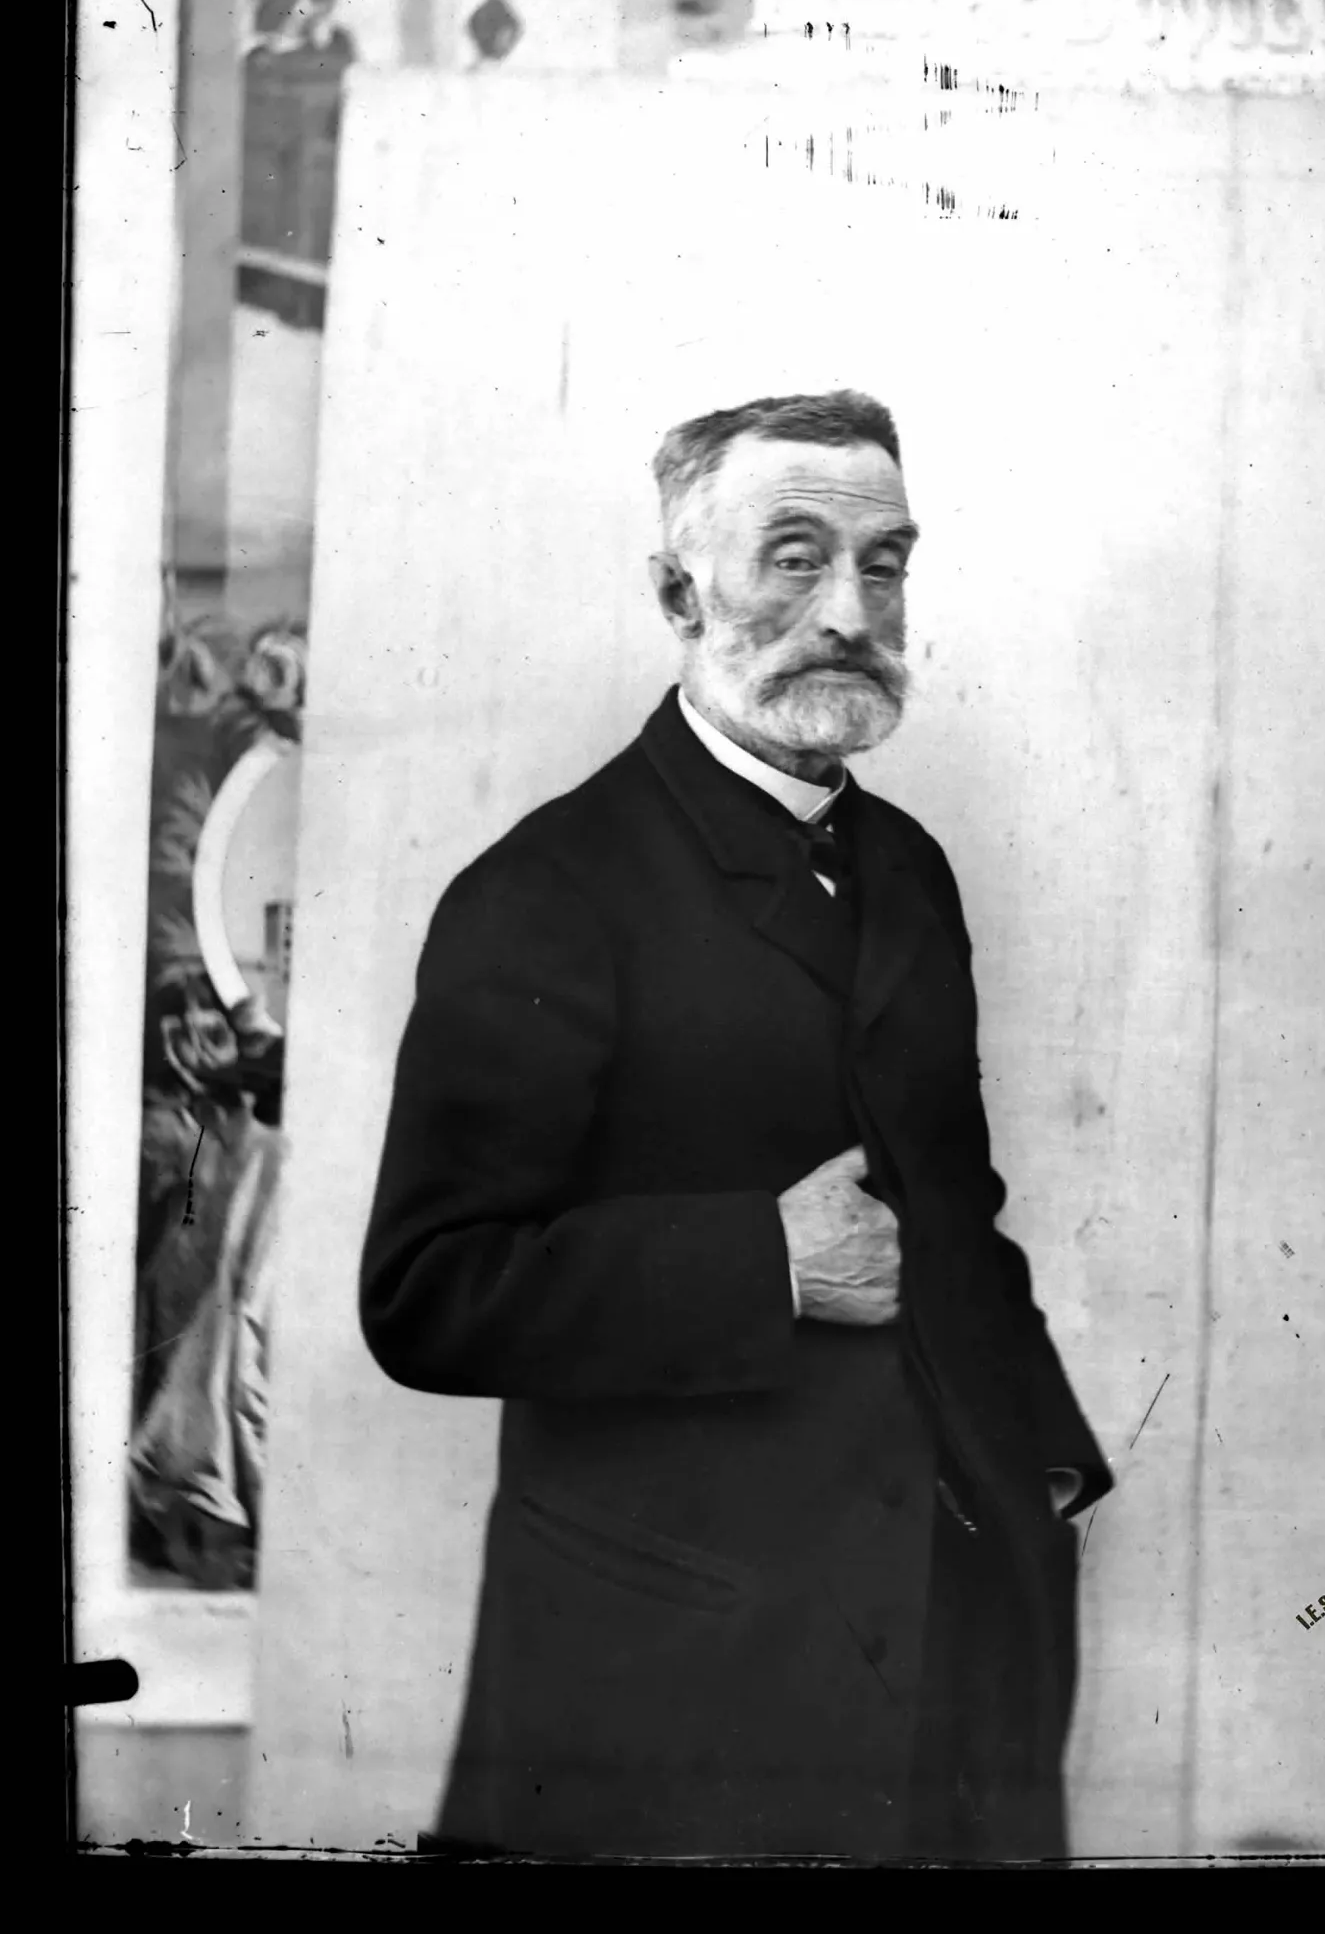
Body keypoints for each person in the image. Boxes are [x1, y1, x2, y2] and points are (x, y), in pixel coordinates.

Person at [359, 390, 1113, 1861]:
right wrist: (765, 1263)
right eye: (795, 557)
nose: (851, 613)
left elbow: (954, 1210)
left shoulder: (909, 870)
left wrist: (1044, 1459)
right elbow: (424, 1294)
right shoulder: (543, 894)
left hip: (947, 1626)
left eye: (884, 564)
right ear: (676, 593)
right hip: (678, 1665)